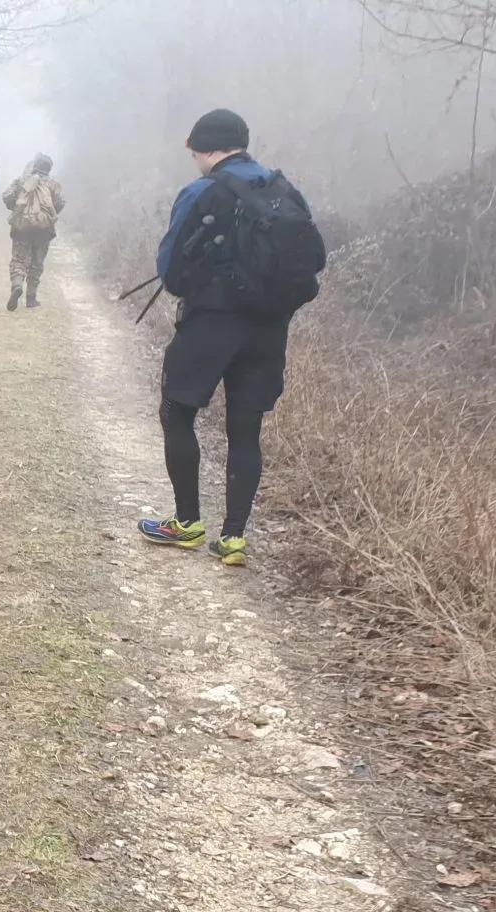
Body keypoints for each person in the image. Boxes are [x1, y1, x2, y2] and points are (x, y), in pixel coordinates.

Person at [137, 108, 318, 567]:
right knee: (245, 428)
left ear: (207, 148)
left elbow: (172, 271)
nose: (194, 159)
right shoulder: (282, 190)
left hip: (211, 324)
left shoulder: (202, 191)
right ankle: (234, 539)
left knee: (177, 411)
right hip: (269, 327)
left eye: (195, 150)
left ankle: (187, 523)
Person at [0, 154, 64, 310]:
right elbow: (60, 203)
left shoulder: (22, 180)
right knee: (37, 262)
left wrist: (17, 208)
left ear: (35, 165)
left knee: (19, 260)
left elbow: (7, 197)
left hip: (22, 228)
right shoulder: (53, 184)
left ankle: (17, 285)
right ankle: (31, 298)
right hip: (43, 230)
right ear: (49, 168)